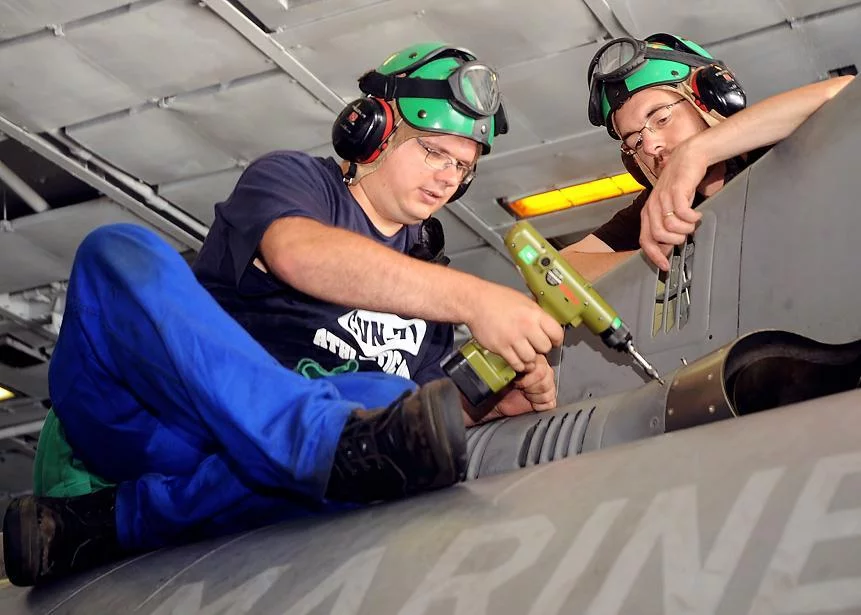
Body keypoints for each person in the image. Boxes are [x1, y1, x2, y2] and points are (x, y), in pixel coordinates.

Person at [1, 42, 563, 587]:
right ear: (373, 131)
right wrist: (474, 297)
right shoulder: (295, 182)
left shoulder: (429, 290)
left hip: (248, 480)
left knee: (386, 400)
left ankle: (115, 521)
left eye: (462, 166)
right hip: (154, 423)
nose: (447, 177)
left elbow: (416, 432)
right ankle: (312, 442)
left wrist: (489, 402)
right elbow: (298, 254)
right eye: (433, 151)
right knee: (116, 251)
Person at [561, 33, 853, 279]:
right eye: (634, 141)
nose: (650, 146)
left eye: (661, 118)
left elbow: (847, 91)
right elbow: (560, 269)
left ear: (709, 97)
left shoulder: (774, 140)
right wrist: (660, 258)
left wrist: (697, 151)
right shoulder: (660, 210)